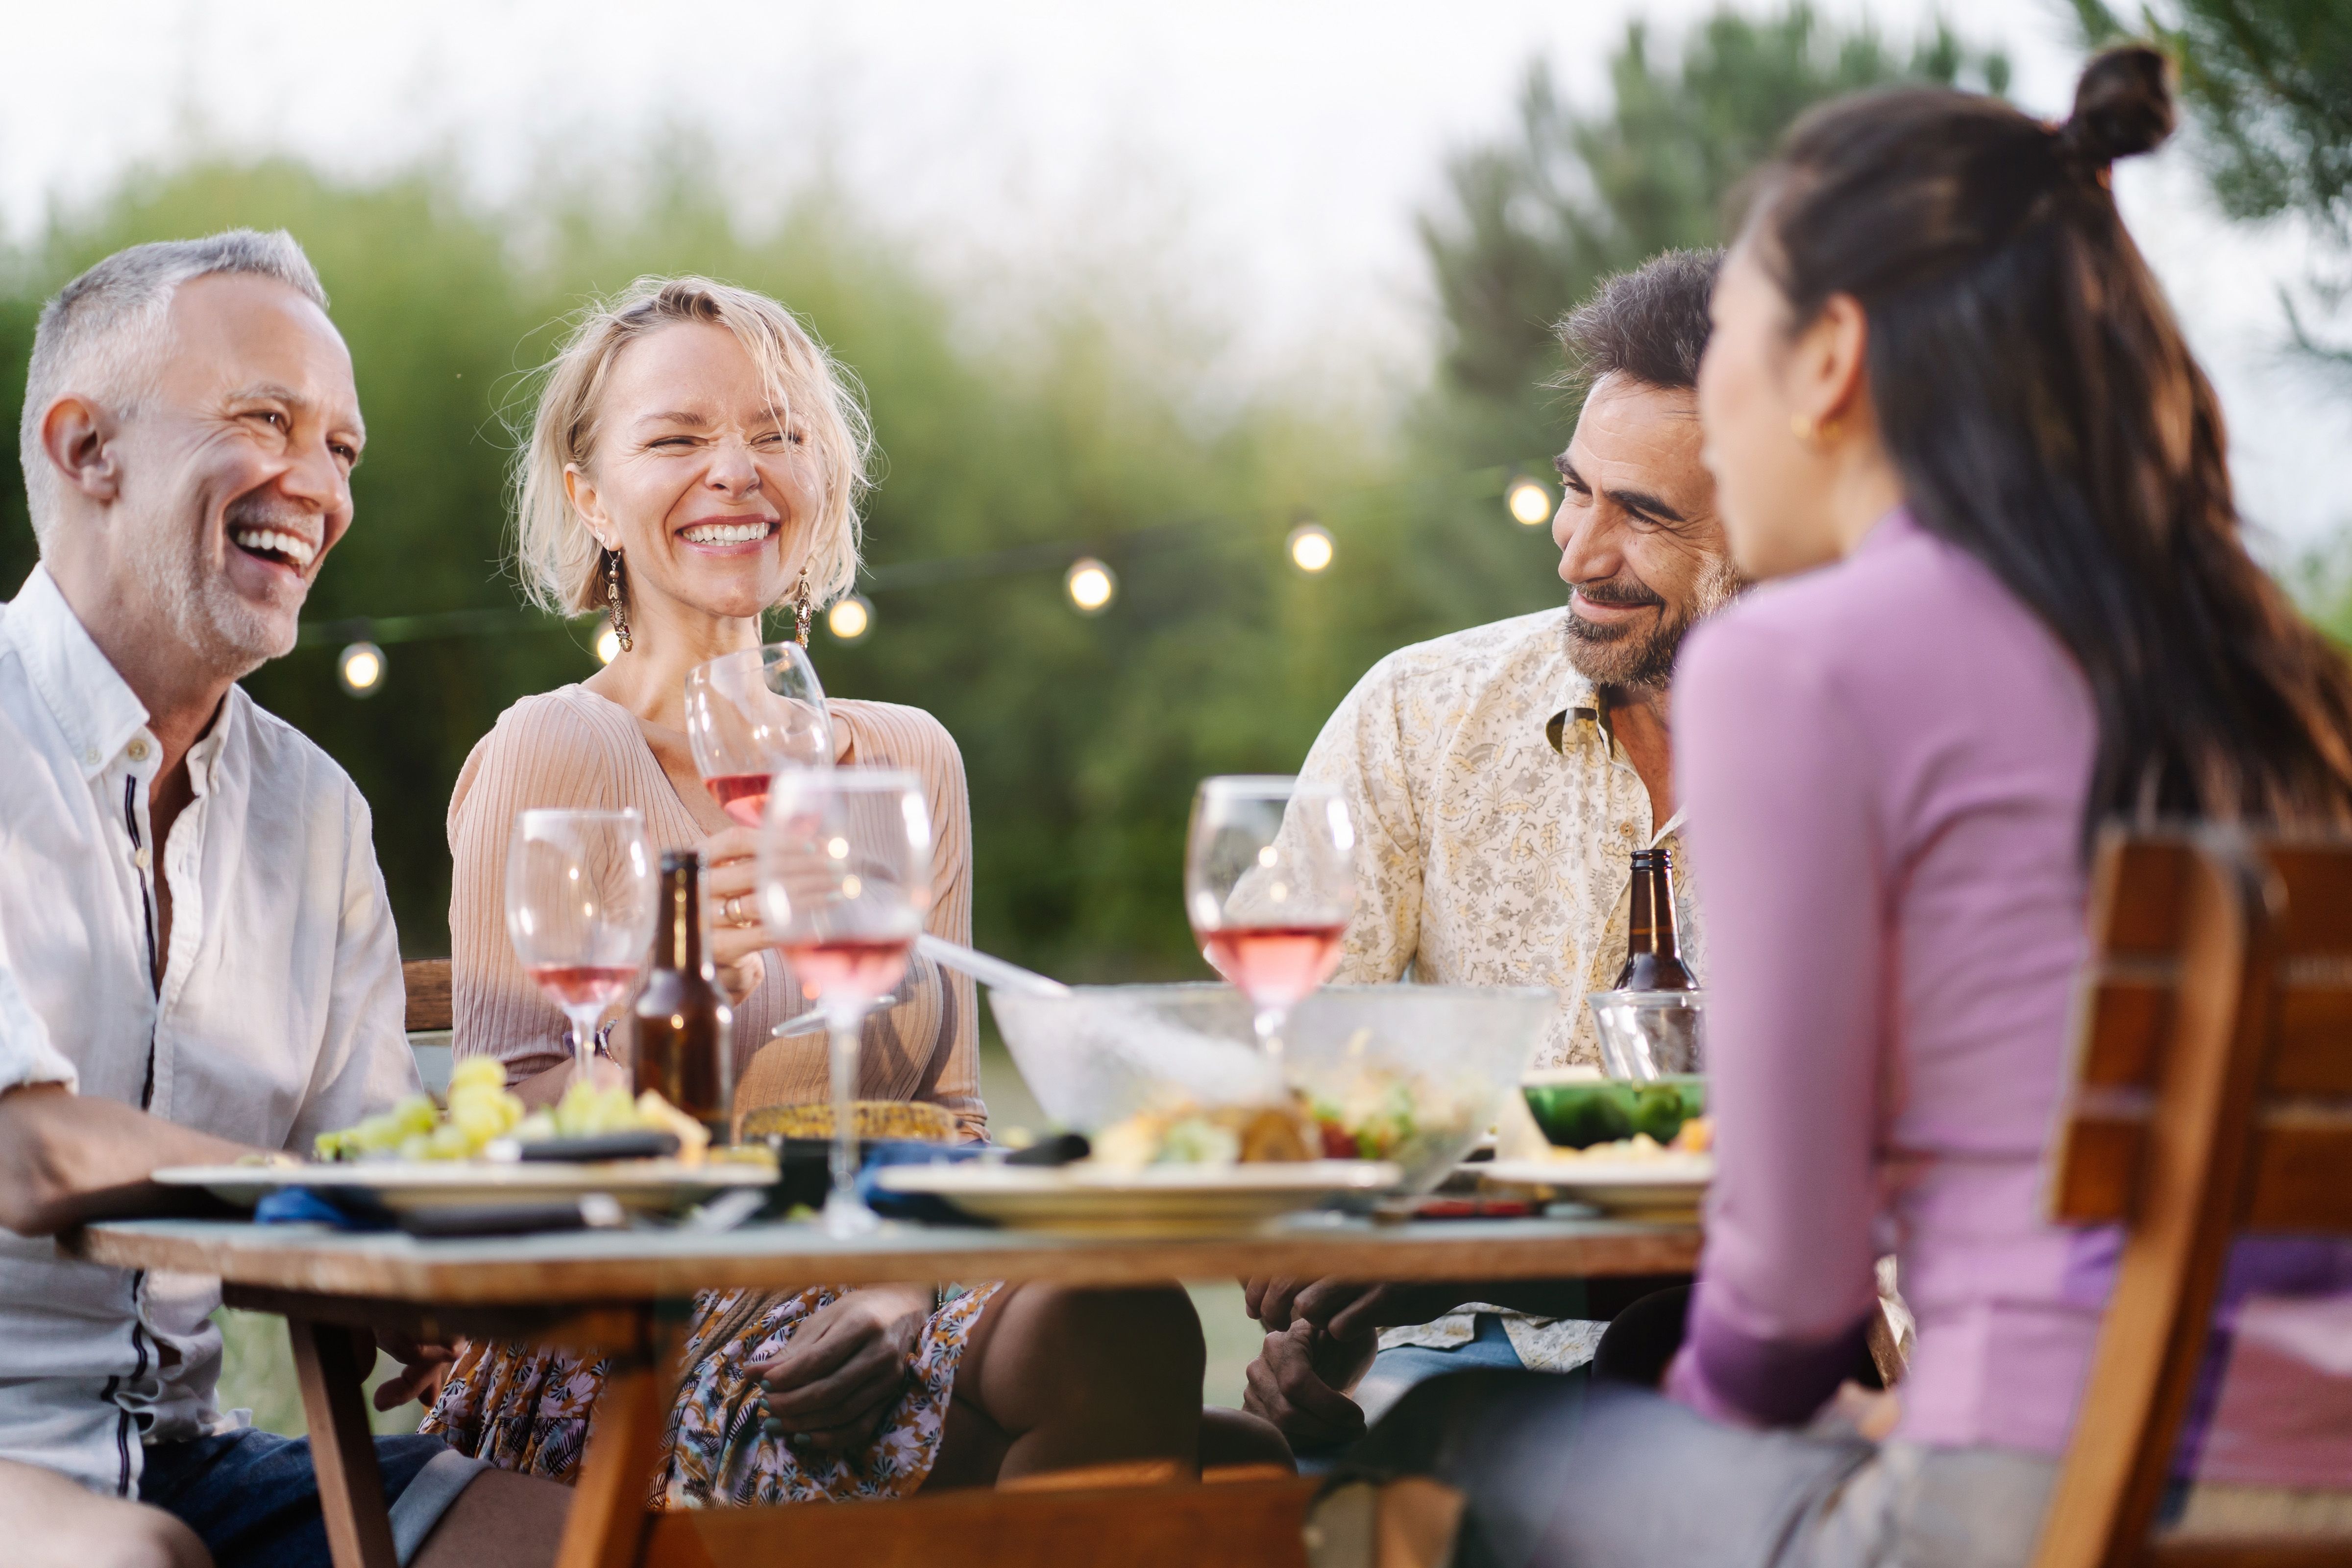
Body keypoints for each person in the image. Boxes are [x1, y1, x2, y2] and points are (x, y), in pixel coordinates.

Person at [1354, 48, 2352, 1567]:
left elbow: (1791, 1288)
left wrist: (1716, 1406)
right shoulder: (2284, 672)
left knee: (1440, 1450)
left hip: (2034, 1498)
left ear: (1829, 360)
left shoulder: (1800, 661)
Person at [421, 275, 1239, 1503]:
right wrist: (667, 1020)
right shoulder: (553, 750)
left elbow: (948, 1118)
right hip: (633, 1330)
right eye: (679, 438)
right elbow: (509, 1128)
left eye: (778, 432)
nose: (737, 469)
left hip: (878, 1279)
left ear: (826, 482)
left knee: (1135, 1327)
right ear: (591, 497)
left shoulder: (907, 762)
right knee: (1169, 1421)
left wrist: (898, 1280)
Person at [0, 232, 569, 1568]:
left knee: (582, 1544)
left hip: (191, 1447)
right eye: (265, 421)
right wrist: (337, 1211)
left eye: (342, 450)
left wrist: (415, 1286)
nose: (314, 486)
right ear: (88, 450)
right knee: (140, 1562)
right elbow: (27, 1155)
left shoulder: (315, 811)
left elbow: (354, 1176)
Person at [1242, 251, 1734, 1451]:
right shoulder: (1419, 712)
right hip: (1440, 1356)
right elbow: (1301, 1074)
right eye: (1577, 490)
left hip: (1754, 1372)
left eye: (1644, 516)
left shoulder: (1878, 766)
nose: (1577, 550)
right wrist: (1330, 1291)